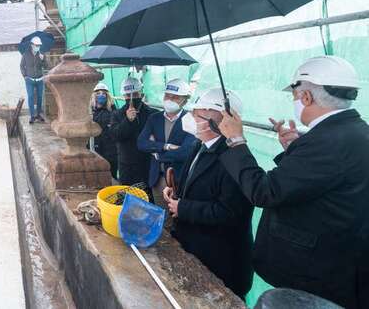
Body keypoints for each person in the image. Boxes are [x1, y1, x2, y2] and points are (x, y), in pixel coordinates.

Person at [216, 56, 369, 309]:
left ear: (306, 97)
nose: (296, 103)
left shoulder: (327, 141)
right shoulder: (355, 132)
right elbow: (321, 178)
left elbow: (264, 192)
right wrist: (294, 147)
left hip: (318, 271)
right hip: (343, 261)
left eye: (295, 96)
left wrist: (236, 140)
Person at [163, 88, 254, 299]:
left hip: (220, 262)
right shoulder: (200, 144)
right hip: (194, 246)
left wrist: (183, 208)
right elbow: (195, 180)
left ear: (218, 122)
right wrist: (176, 188)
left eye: (198, 115)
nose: (191, 118)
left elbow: (230, 213)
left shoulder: (235, 159)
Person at [137, 78, 197, 206]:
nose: (169, 100)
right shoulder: (154, 118)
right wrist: (166, 146)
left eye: (175, 97)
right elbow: (141, 143)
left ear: (185, 99)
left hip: (178, 179)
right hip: (156, 178)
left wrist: (157, 153)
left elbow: (186, 152)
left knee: (175, 216)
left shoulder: (190, 120)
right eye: (167, 96)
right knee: (161, 214)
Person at [109, 77, 155, 196]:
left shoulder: (152, 113)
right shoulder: (117, 114)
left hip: (147, 163)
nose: (131, 98)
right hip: (127, 164)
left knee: (147, 197)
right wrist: (128, 120)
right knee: (127, 197)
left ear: (141, 94)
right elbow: (115, 135)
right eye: (127, 95)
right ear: (123, 96)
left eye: (135, 94)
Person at [91, 82, 118, 180]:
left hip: (110, 150)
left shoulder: (113, 112)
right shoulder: (90, 111)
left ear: (107, 96)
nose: (101, 95)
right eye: (98, 93)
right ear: (94, 95)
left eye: (103, 93)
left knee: (111, 174)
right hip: (95, 147)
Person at [20, 36, 46, 124]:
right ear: (32, 45)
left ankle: (38, 114)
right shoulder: (26, 54)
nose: (38, 47)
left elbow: (46, 66)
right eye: (36, 45)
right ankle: (32, 116)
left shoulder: (41, 54)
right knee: (30, 96)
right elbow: (22, 66)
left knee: (39, 97)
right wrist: (25, 76)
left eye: (39, 45)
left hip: (40, 79)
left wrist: (43, 60)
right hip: (29, 80)